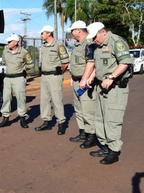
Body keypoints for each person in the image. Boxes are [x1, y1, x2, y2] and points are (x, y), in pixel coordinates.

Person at [86, 22, 133, 165]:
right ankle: (105, 146)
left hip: (115, 88)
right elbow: (100, 65)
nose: (94, 40)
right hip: (101, 87)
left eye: (95, 37)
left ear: (103, 32)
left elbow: (125, 63)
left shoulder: (116, 42)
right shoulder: (98, 47)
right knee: (100, 118)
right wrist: (92, 76)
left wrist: (111, 77)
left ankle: (114, 151)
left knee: (112, 120)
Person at [66, 21, 97, 149]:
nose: (71, 33)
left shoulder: (89, 43)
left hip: (86, 83)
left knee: (87, 111)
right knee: (78, 109)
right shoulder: (77, 45)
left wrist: (89, 78)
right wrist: (73, 77)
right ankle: (82, 133)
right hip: (77, 81)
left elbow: (93, 62)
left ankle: (91, 136)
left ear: (79, 30)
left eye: (72, 30)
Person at [35, 25, 69, 135]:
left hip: (55, 76)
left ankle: (61, 123)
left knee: (57, 100)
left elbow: (65, 63)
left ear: (49, 33)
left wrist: (59, 73)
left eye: (42, 33)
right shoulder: (43, 46)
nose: (41, 35)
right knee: (44, 101)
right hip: (44, 76)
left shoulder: (58, 45)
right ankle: (46, 122)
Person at [0, 33, 34, 128]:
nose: (7, 43)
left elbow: (30, 64)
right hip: (8, 78)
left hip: (19, 78)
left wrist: (21, 69)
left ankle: (22, 118)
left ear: (16, 42)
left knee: (21, 98)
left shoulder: (24, 52)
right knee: (6, 99)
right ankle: (5, 118)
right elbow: (4, 61)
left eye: (9, 42)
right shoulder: (5, 52)